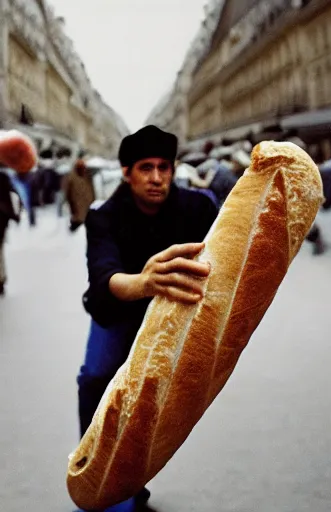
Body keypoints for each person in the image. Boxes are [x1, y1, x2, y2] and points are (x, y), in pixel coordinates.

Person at [77, 125, 218, 511]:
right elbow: (105, 277)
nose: (157, 178)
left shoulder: (198, 207)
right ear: (126, 172)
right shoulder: (103, 216)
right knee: (95, 378)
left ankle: (132, 483)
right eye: (145, 168)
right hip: (117, 311)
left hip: (172, 315)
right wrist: (144, 281)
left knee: (149, 406)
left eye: (164, 167)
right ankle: (93, 466)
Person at [0, 167, 21, 295]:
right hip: (2, 219)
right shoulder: (3, 177)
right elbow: (11, 197)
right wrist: (14, 215)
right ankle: (1, 278)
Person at [62, 159, 96, 232]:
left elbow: (91, 188)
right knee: (79, 218)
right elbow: (67, 191)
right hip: (78, 203)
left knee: (82, 218)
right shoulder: (72, 176)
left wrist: (93, 199)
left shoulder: (87, 175)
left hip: (85, 202)